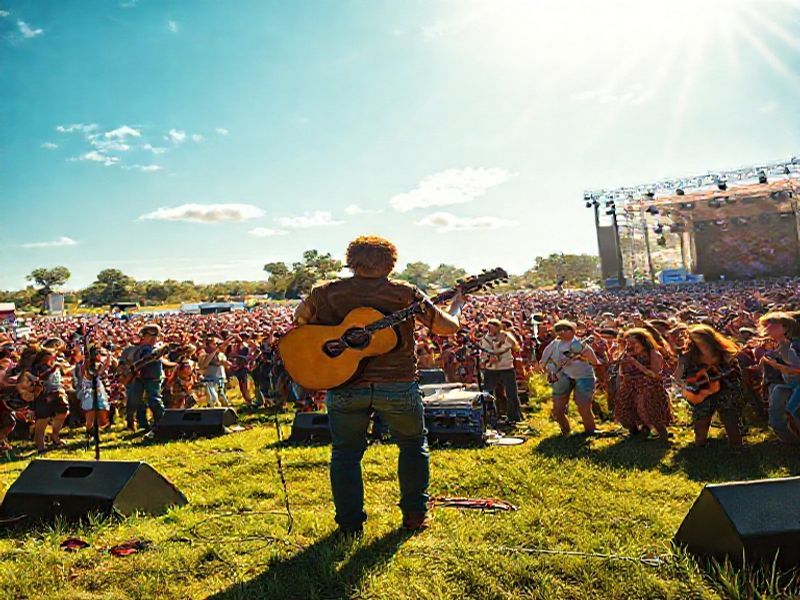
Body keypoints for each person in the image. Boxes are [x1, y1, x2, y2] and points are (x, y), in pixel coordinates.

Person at [293, 235, 464, 535]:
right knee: (412, 445)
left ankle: (349, 524)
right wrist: (458, 306)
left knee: (345, 453)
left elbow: (300, 320)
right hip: (397, 383)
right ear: (391, 262)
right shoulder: (404, 293)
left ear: (351, 261)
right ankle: (414, 515)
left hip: (344, 383)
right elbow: (446, 328)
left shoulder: (325, 292)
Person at [674, 324, 744, 449]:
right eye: (693, 338)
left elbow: (735, 371)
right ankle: (700, 447)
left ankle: (737, 447)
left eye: (700, 338)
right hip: (701, 392)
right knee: (701, 422)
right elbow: (678, 376)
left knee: (730, 419)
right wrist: (686, 384)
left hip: (725, 389)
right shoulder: (688, 355)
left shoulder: (723, 352)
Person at [537, 320, 600, 435]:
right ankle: (565, 430)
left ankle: (590, 430)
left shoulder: (581, 344)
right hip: (561, 376)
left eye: (565, 329)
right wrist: (546, 368)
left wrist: (581, 357)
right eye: (558, 330)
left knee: (583, 404)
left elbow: (595, 362)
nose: (561, 332)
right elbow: (544, 359)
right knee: (558, 408)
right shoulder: (554, 344)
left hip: (583, 376)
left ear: (573, 331)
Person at [614, 328, 672, 441]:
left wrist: (636, 364)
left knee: (648, 412)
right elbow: (621, 373)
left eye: (633, 342)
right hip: (630, 386)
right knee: (624, 411)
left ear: (643, 342)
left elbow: (656, 375)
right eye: (627, 343)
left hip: (648, 387)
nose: (629, 345)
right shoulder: (626, 354)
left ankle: (663, 437)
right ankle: (635, 432)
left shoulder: (653, 353)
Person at [128, 324, 171, 432]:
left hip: (153, 378)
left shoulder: (158, 348)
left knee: (154, 400)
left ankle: (161, 423)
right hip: (139, 378)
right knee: (139, 402)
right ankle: (144, 424)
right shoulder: (138, 349)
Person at [480, 319, 523, 425]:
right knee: (488, 393)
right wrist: (488, 358)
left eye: (493, 326)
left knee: (511, 393)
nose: (490, 329)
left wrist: (498, 350)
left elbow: (512, 346)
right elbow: (483, 351)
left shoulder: (506, 336)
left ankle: (514, 416)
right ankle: (490, 416)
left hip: (506, 367)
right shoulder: (485, 339)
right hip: (491, 369)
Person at [30, 348, 69, 453]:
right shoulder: (38, 368)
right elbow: (41, 378)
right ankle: (41, 447)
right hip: (43, 396)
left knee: (63, 411)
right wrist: (53, 368)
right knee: (42, 421)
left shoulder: (54, 365)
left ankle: (55, 436)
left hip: (57, 393)